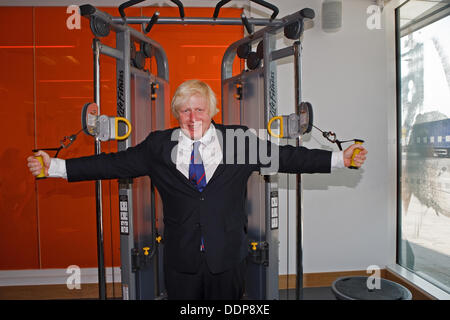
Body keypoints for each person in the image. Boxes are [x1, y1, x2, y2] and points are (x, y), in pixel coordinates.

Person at [27, 79, 367, 300]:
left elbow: (288, 157)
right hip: (181, 259)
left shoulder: (240, 142)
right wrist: (55, 167)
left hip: (228, 257)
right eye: (185, 110)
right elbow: (111, 165)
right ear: (176, 113)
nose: (193, 117)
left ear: (213, 111)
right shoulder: (158, 147)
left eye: (199, 109)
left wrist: (340, 158)